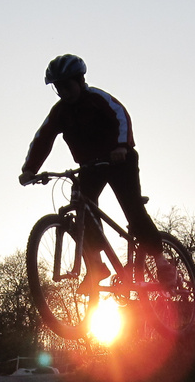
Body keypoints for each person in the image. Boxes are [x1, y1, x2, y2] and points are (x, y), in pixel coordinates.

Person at [18, 54, 170, 290]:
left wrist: (121, 146)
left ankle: (161, 262)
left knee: (132, 208)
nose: (64, 92)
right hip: (91, 166)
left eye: (67, 86)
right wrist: (29, 169)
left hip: (120, 160)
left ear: (80, 80)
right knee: (82, 207)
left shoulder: (96, 98)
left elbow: (121, 115)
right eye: (58, 88)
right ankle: (97, 265)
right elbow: (43, 138)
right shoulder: (60, 112)